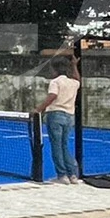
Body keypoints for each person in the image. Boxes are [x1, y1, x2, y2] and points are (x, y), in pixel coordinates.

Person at [34, 55, 81, 184]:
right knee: (64, 145)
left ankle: (62, 175)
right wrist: (74, 65)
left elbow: (52, 96)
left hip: (55, 115)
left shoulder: (55, 82)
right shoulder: (73, 82)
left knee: (57, 146)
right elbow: (78, 80)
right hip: (69, 117)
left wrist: (39, 109)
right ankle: (72, 175)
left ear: (55, 68)